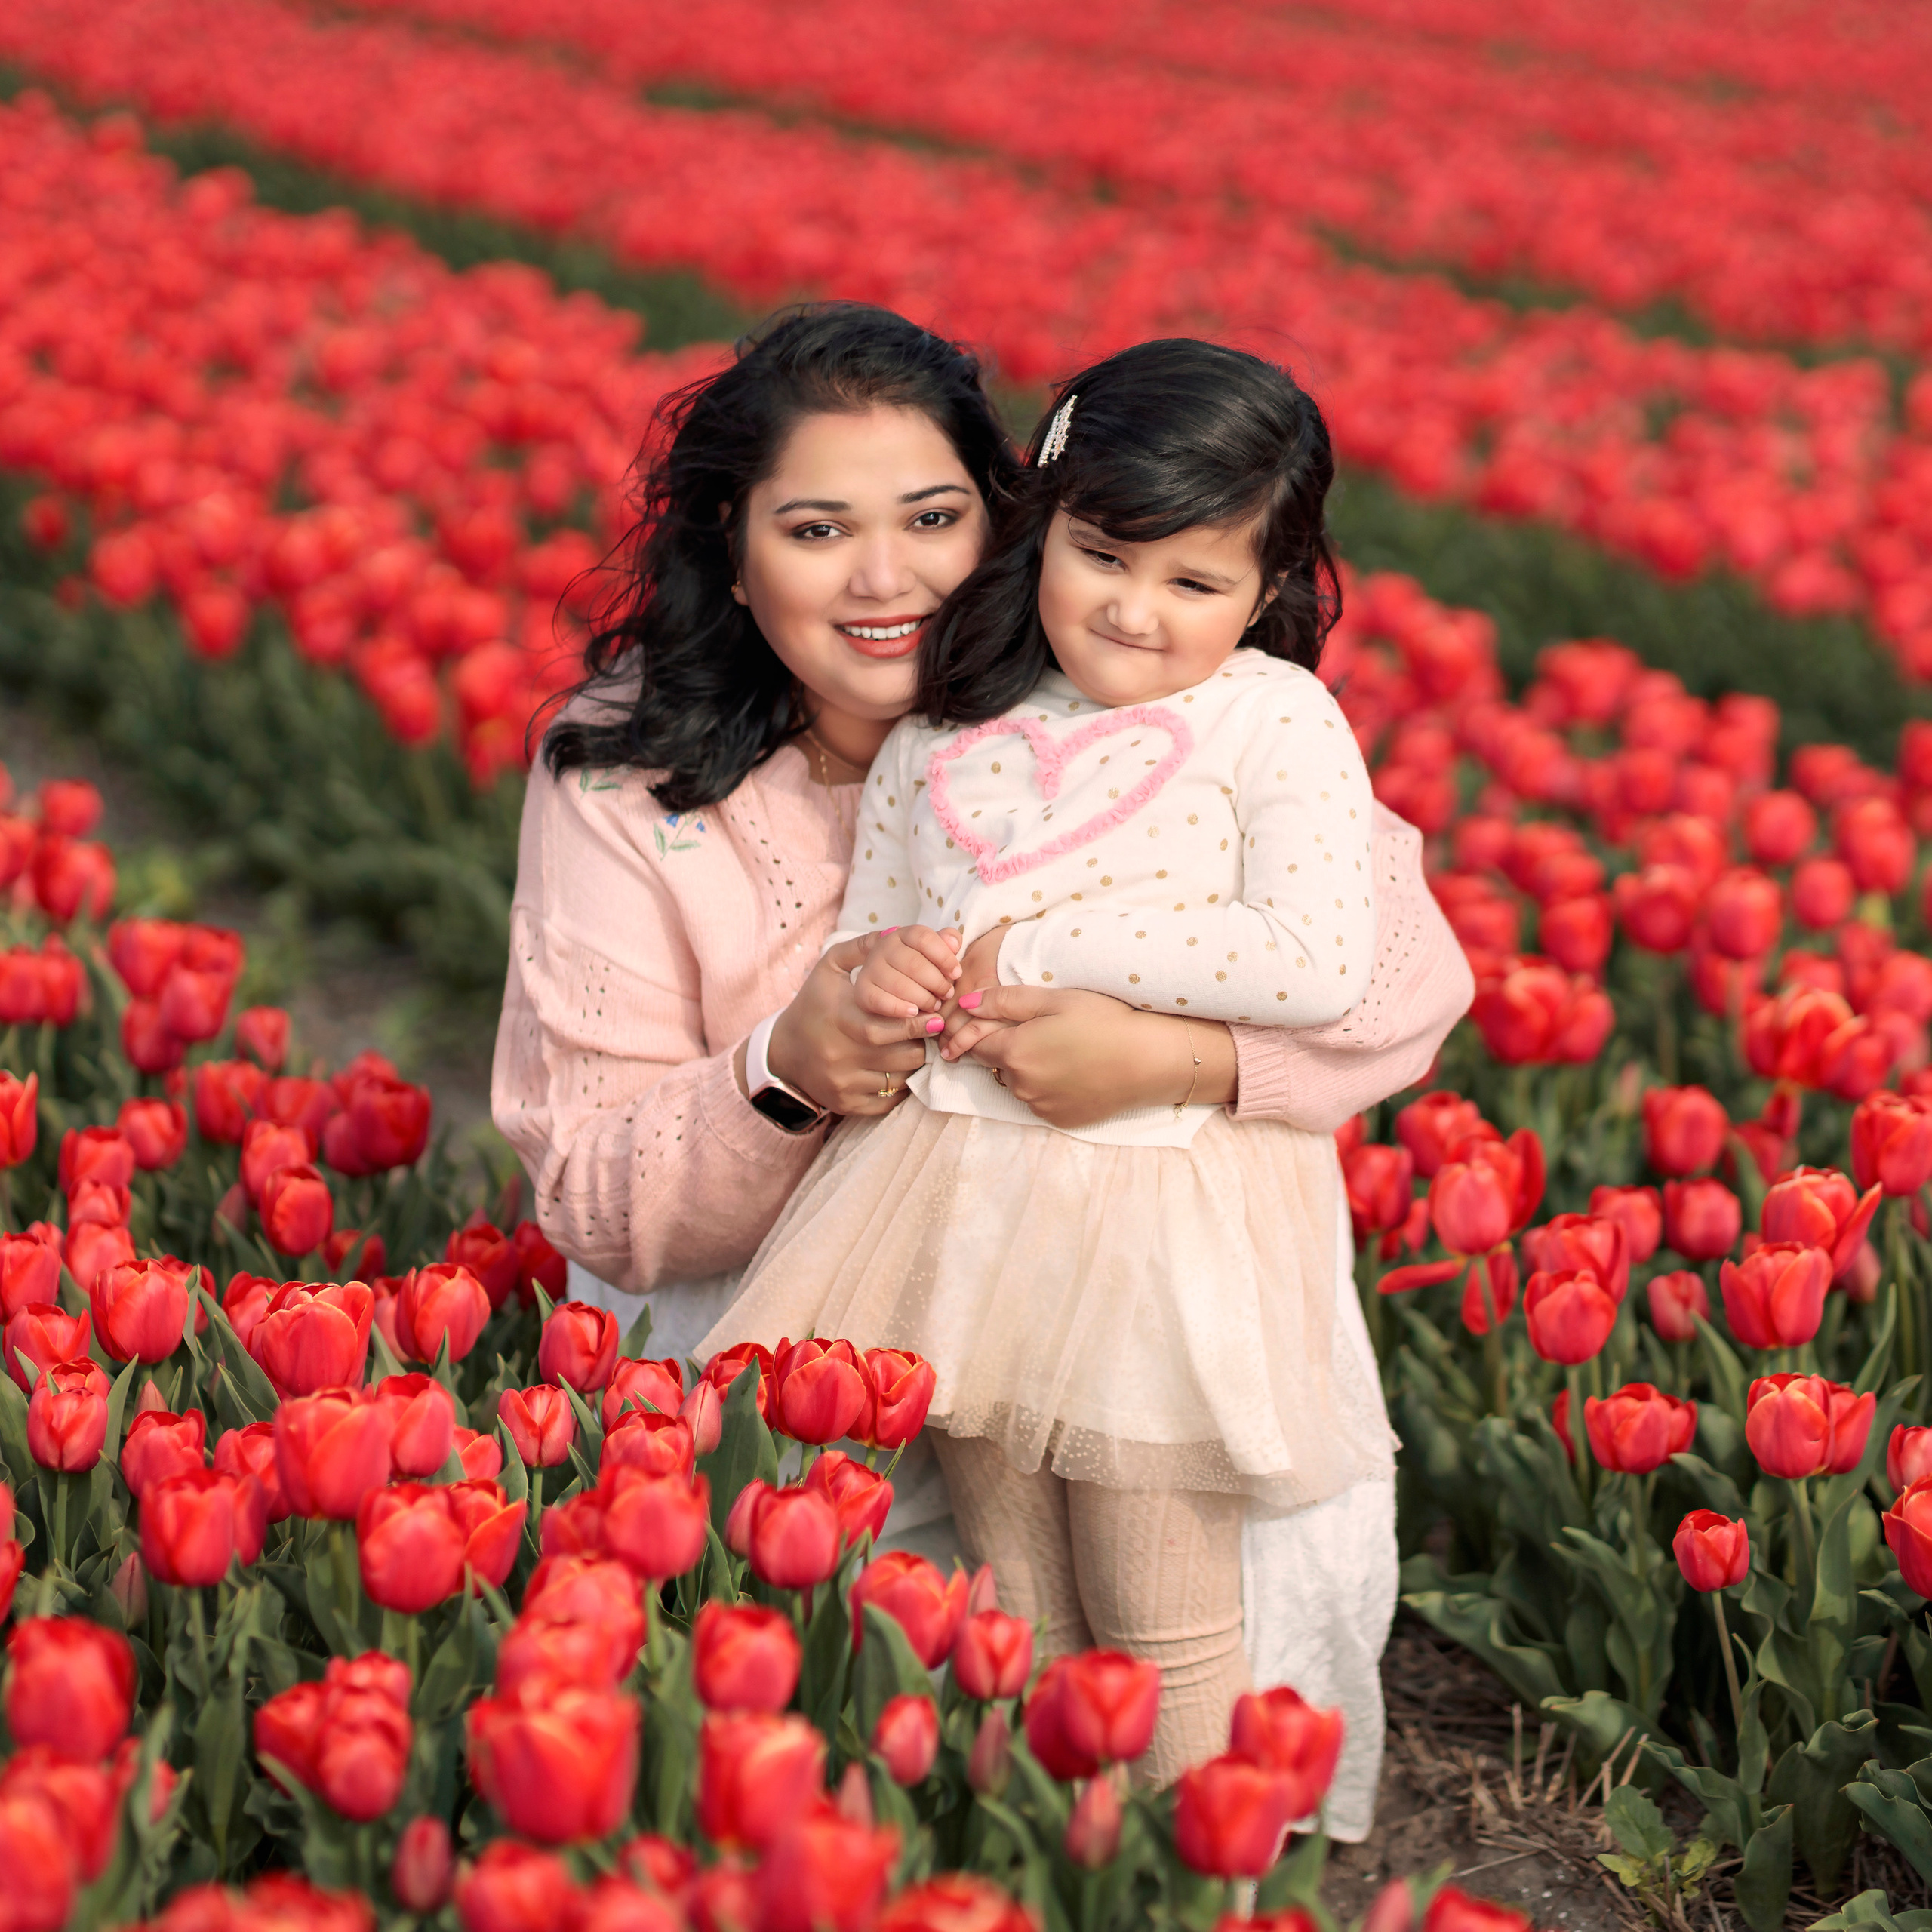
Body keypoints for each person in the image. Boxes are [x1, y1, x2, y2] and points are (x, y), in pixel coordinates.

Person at [491, 305, 1473, 1820]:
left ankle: (1178, 1855)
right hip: (822, 1308)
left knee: (1173, 1597)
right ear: (732, 546)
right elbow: (602, 1201)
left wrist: (1176, 1062)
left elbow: (1391, 977)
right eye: (816, 527)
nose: (883, 579)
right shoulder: (634, 781)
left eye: (934, 517)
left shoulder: (1183, 713)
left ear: (1013, 521)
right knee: (945, 1695)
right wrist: (787, 1067)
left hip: (1136, 1268)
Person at [703, 339, 1398, 1781]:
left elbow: (1316, 962)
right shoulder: (957, 721)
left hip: (1158, 1225)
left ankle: (1191, 1886)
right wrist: (884, 979)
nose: (1137, 613)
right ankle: (1069, 1878)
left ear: (1268, 590)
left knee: (1163, 1615)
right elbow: (885, 924)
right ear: (1045, 527)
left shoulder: (1274, 719)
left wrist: (1045, 954)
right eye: (1103, 556)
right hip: (953, 1206)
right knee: (1019, 1609)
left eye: (1196, 583)